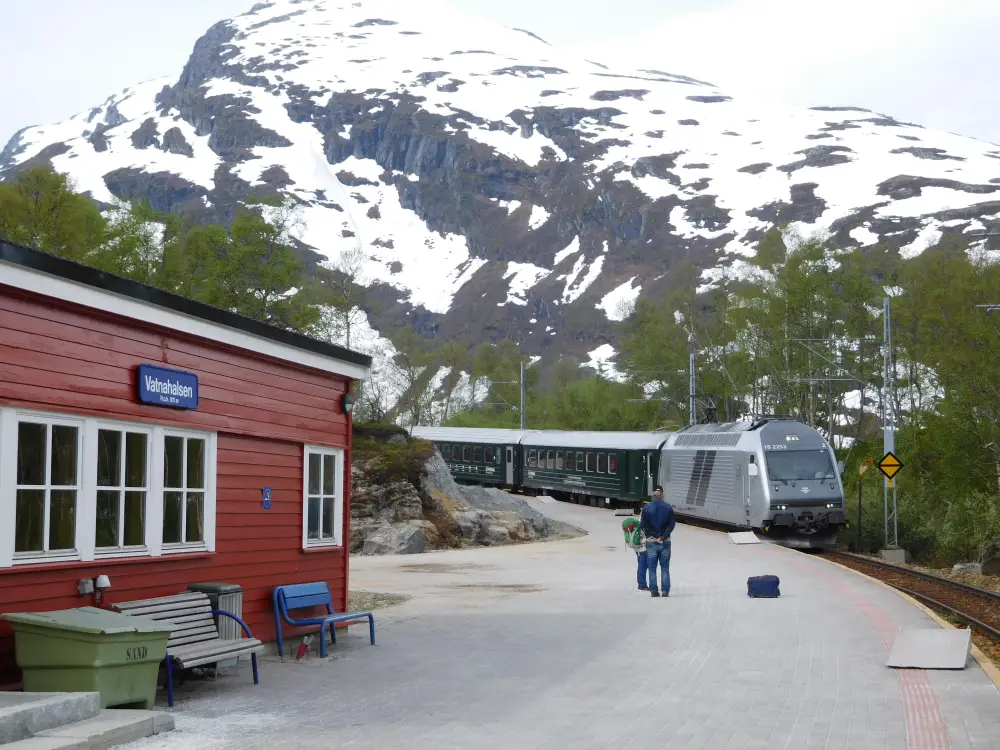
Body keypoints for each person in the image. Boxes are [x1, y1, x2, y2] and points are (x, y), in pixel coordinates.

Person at [640, 485, 676, 597]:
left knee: (652, 568)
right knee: (665, 568)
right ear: (662, 496)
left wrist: (652, 535)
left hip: (651, 541)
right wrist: (663, 536)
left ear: (652, 496)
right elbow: (672, 524)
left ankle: (654, 591)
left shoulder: (646, 508)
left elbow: (643, 525)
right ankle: (665, 591)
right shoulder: (668, 507)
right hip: (665, 542)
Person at [622, 506, 648, 591]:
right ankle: (642, 585)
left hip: (637, 548)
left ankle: (641, 584)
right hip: (642, 548)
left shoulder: (638, 520)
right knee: (642, 566)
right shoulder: (643, 522)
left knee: (641, 565)